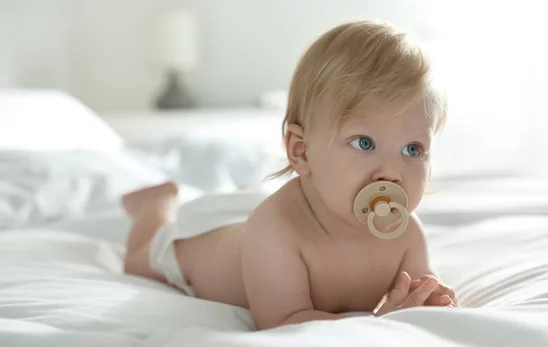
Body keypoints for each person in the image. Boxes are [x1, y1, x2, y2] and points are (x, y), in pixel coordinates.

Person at [121, 20, 457, 331]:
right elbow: (286, 320)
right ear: (301, 152)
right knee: (140, 260)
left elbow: (423, 292)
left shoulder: (407, 235)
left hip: (258, 215)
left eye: (413, 149)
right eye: (364, 143)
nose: (392, 172)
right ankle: (157, 202)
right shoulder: (276, 231)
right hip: (200, 253)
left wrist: (429, 300)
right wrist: (377, 324)